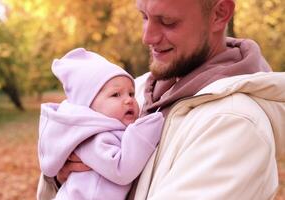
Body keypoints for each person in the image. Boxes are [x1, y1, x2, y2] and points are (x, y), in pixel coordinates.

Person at [37, 0, 285, 199]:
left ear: (219, 14)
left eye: (167, 21)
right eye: (144, 16)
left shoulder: (235, 124)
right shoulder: (136, 90)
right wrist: (62, 177)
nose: (148, 37)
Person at [38, 48, 164, 199]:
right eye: (116, 94)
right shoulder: (92, 138)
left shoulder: (108, 131)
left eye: (131, 93)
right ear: (89, 106)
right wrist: (145, 131)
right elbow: (121, 170)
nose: (129, 100)